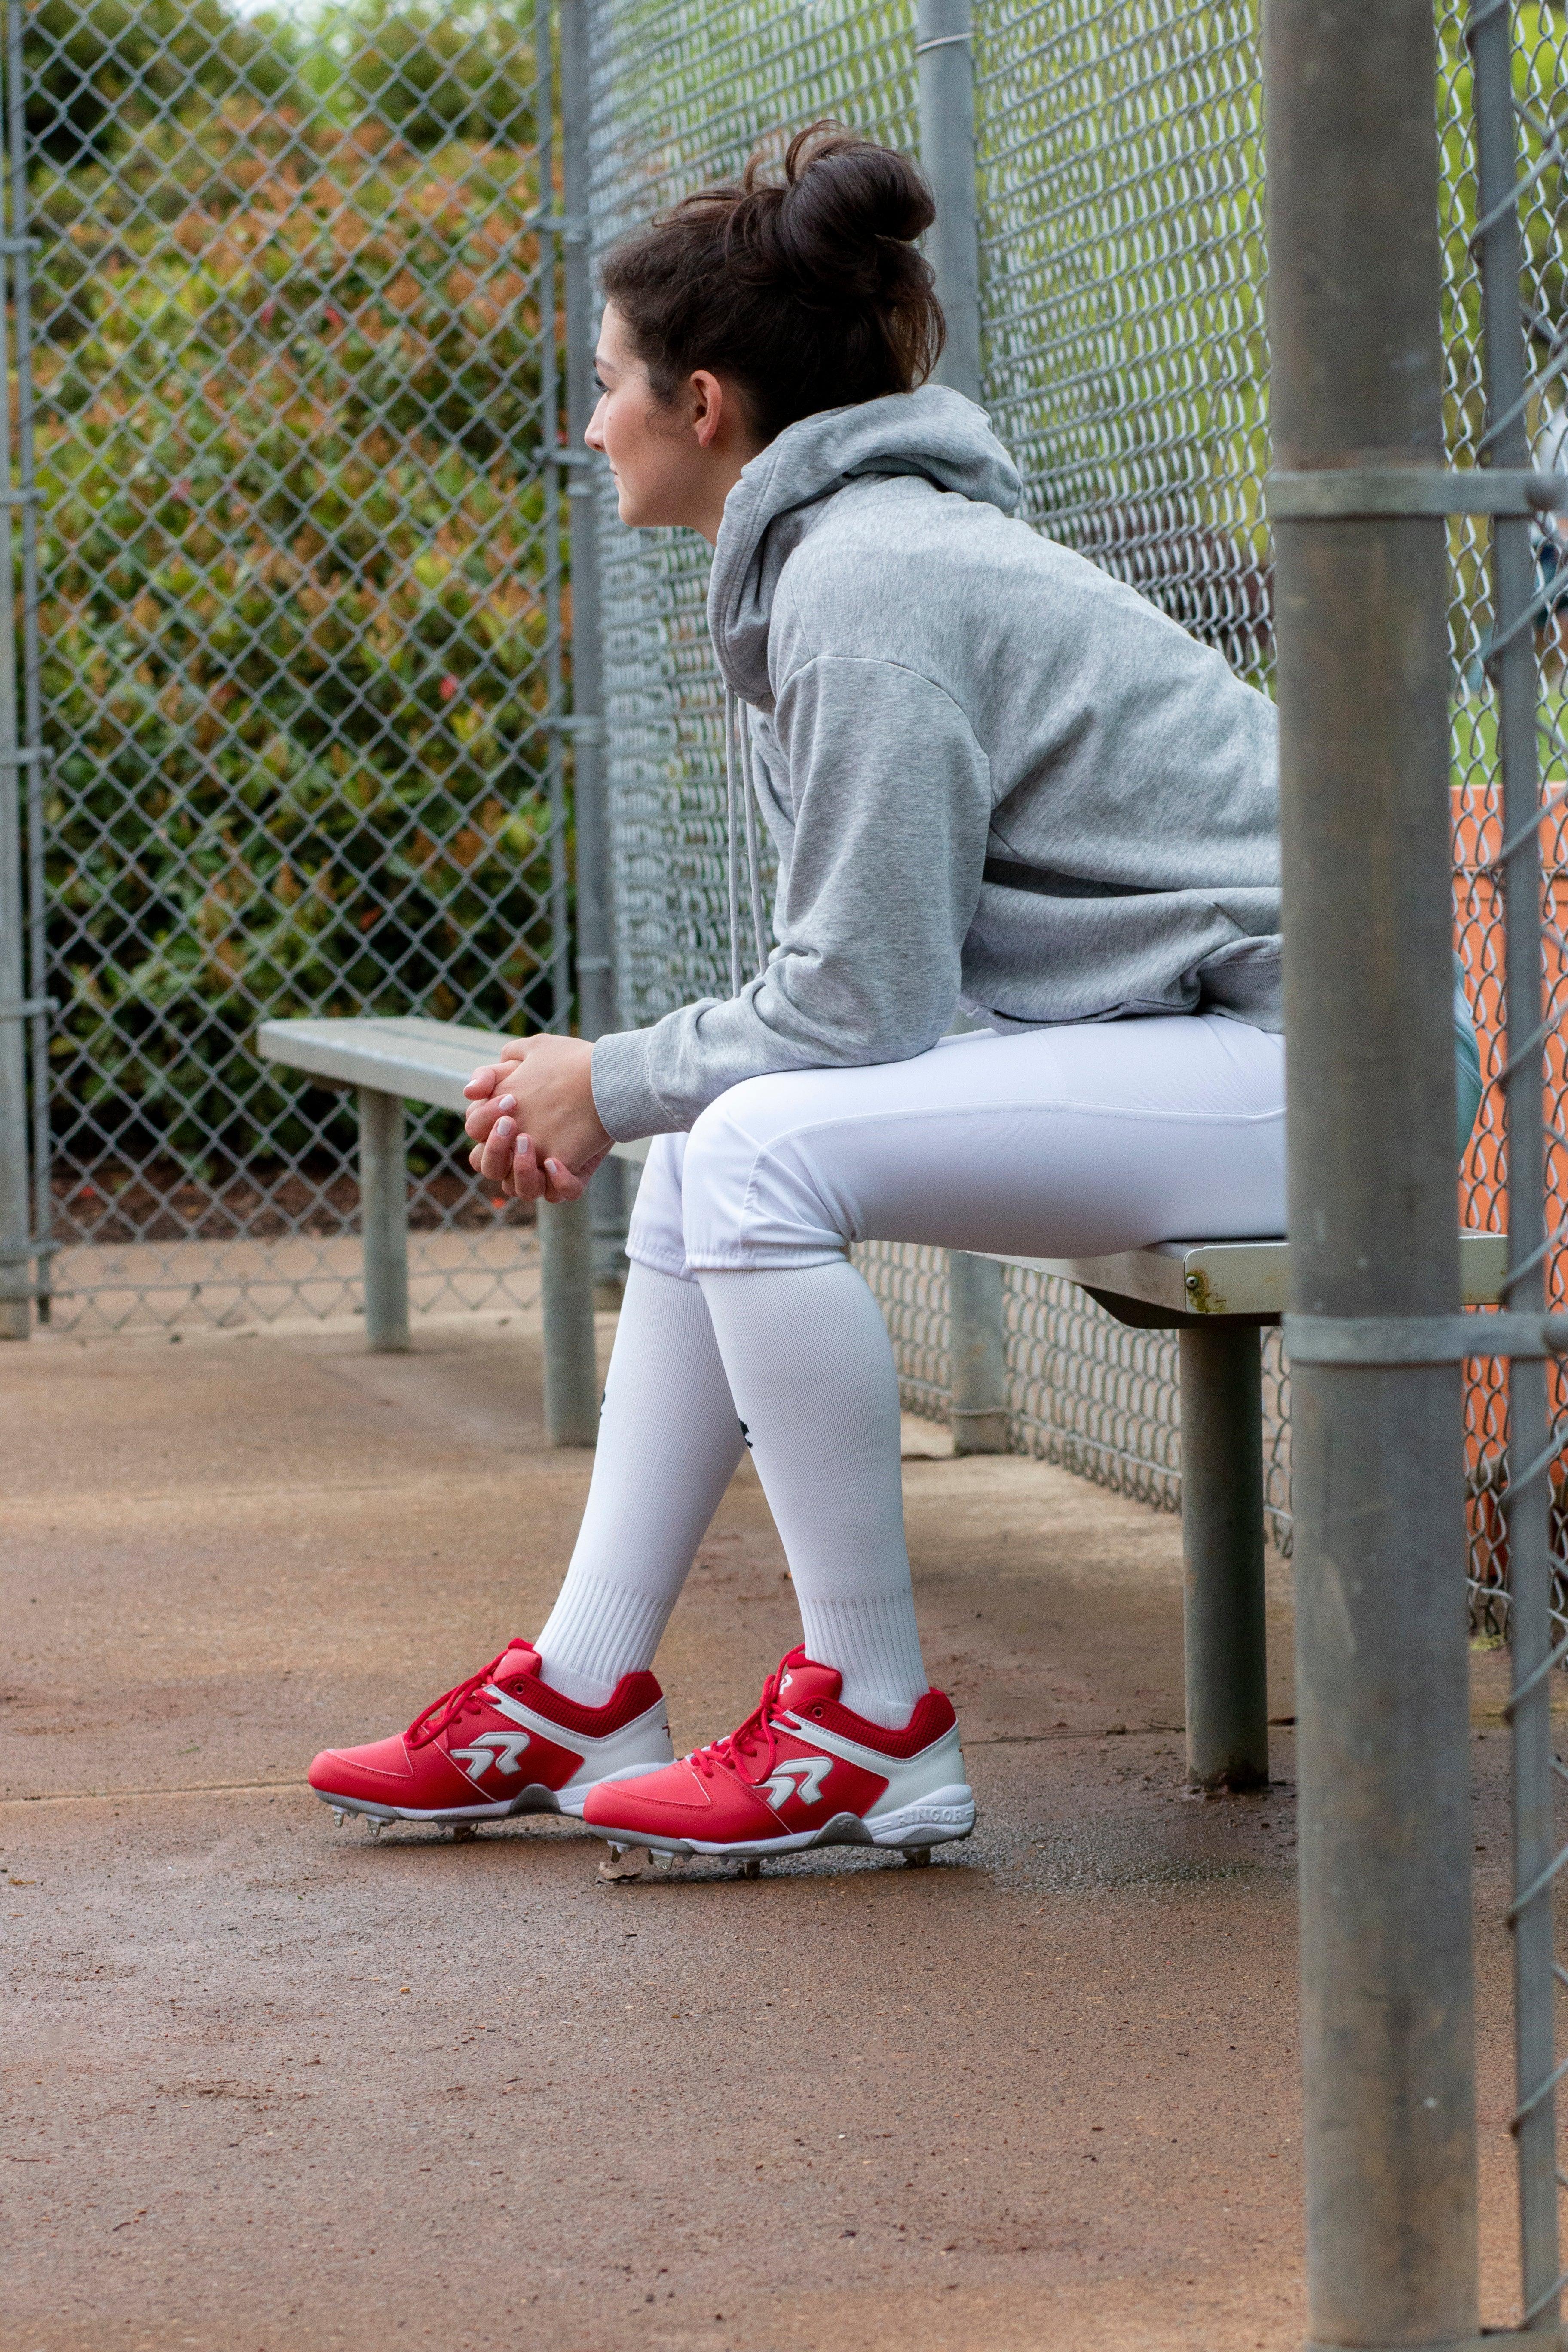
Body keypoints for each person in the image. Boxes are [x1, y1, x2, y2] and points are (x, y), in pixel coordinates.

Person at [307, 123, 1468, 1867]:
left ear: (705, 404)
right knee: (722, 1157)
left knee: (750, 1146)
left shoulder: (868, 586)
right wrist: (629, 1093)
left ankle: (865, 1724)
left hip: (1331, 1070)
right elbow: (857, 993)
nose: (587, 421)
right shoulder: (837, 562)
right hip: (1211, 1050)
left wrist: (604, 1078)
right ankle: (585, 1683)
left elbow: (859, 1008)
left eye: (607, 383)